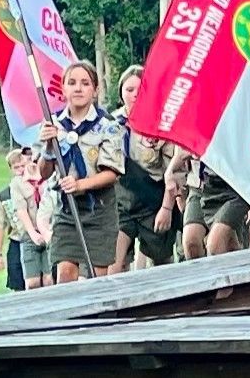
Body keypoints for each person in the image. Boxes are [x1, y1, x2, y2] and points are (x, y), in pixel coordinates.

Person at [36, 61, 125, 282]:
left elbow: (111, 173)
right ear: (63, 89)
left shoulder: (108, 125)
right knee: (65, 272)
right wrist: (49, 147)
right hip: (68, 209)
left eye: (85, 83)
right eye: (72, 83)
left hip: (99, 209)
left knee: (97, 276)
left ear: (94, 91)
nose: (78, 88)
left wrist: (79, 185)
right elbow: (44, 172)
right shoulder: (53, 123)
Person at [109, 65, 181, 274]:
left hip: (152, 202)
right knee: (115, 263)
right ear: (121, 92)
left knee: (161, 264)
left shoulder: (160, 125)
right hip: (120, 203)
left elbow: (173, 171)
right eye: (128, 89)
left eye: (139, 89)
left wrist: (167, 208)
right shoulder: (110, 125)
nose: (133, 94)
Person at [0, 148, 30, 291]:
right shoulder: (5, 195)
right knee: (17, 284)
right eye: (16, 167)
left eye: (23, 166)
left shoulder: (37, 187)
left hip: (37, 239)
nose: (20, 170)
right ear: (11, 169)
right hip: (17, 241)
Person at [15, 151, 54, 288]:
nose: (30, 158)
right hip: (30, 234)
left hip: (50, 231)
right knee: (32, 282)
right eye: (26, 154)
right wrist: (33, 233)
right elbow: (21, 209)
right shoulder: (18, 183)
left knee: (50, 279)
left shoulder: (49, 177)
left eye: (33, 153)